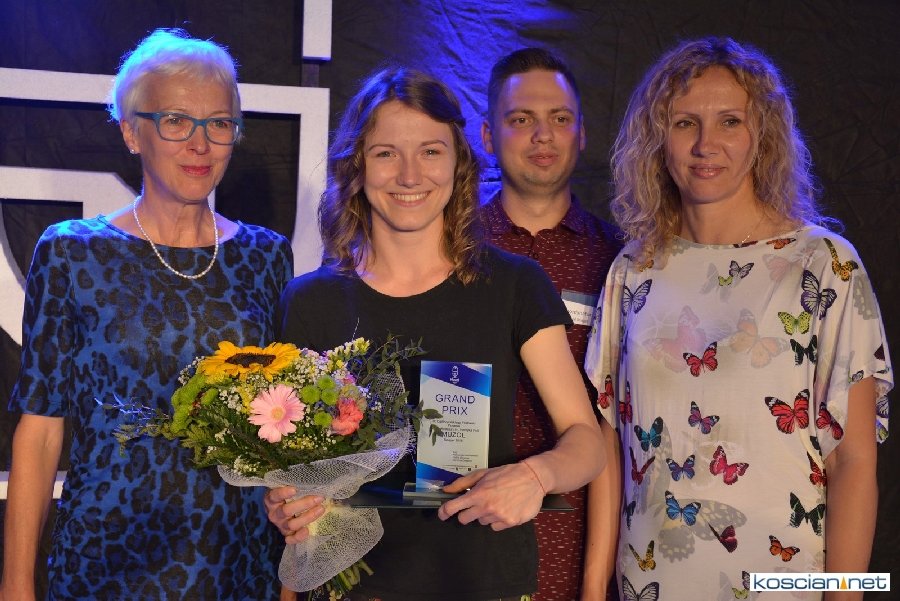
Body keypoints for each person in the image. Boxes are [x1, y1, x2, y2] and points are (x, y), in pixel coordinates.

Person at [269, 66, 607, 601]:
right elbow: (291, 471)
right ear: (357, 165)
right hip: (350, 589)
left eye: (430, 151)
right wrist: (286, 503)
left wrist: (537, 476)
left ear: (458, 163)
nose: (410, 176)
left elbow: (586, 441)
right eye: (386, 153)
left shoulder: (513, 284)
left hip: (483, 584)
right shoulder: (310, 301)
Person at [585, 36, 892, 600]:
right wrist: (592, 590)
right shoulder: (633, 269)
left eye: (730, 121)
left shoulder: (825, 265)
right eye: (685, 123)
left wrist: (847, 596)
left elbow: (853, 460)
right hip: (651, 581)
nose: (706, 145)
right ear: (658, 139)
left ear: (762, 136)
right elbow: (609, 443)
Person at [0, 29, 292, 600]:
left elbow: (285, 431)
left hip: (237, 565)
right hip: (104, 566)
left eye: (219, 123)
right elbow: (40, 431)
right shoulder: (72, 251)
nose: (200, 144)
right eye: (176, 121)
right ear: (132, 132)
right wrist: (15, 584)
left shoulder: (266, 256)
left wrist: (290, 583)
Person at [479, 47, 622, 601]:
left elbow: (617, 424)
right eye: (521, 119)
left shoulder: (621, 261)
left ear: (582, 134)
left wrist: (595, 583)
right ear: (488, 136)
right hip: (465, 528)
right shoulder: (449, 249)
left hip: (581, 542)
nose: (543, 135)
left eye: (559, 118)